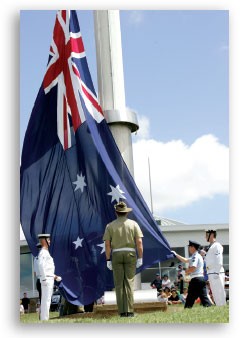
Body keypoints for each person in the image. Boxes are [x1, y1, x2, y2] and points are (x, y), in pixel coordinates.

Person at [103, 201, 143, 317]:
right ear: (126, 213)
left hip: (116, 254)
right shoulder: (133, 224)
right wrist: (140, 257)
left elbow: (107, 245)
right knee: (129, 282)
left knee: (119, 284)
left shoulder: (110, 226)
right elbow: (139, 242)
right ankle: (130, 311)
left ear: (116, 212)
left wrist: (108, 259)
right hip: (130, 253)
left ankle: (122, 312)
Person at [171, 240, 212, 308]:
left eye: (189, 247)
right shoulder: (196, 256)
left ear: (193, 247)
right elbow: (185, 260)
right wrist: (176, 254)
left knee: (190, 296)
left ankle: (187, 309)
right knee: (203, 297)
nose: (189, 248)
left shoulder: (195, 256)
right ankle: (209, 307)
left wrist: (185, 272)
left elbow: (193, 268)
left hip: (196, 279)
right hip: (200, 279)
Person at [38, 233, 62, 320]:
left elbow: (47, 269)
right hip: (46, 279)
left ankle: (44, 318)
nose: (49, 241)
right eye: (48, 240)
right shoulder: (44, 252)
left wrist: (55, 276)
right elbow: (41, 265)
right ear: (44, 241)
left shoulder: (45, 252)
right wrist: (44, 278)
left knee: (46, 300)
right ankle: (44, 319)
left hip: (48, 278)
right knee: (46, 300)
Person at [204, 229, 226, 306]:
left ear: (212, 235)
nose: (205, 237)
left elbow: (219, 259)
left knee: (219, 291)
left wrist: (217, 271)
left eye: (207, 235)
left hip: (216, 271)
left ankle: (222, 306)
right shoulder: (212, 246)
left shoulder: (217, 245)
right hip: (211, 271)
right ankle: (219, 306)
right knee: (215, 292)